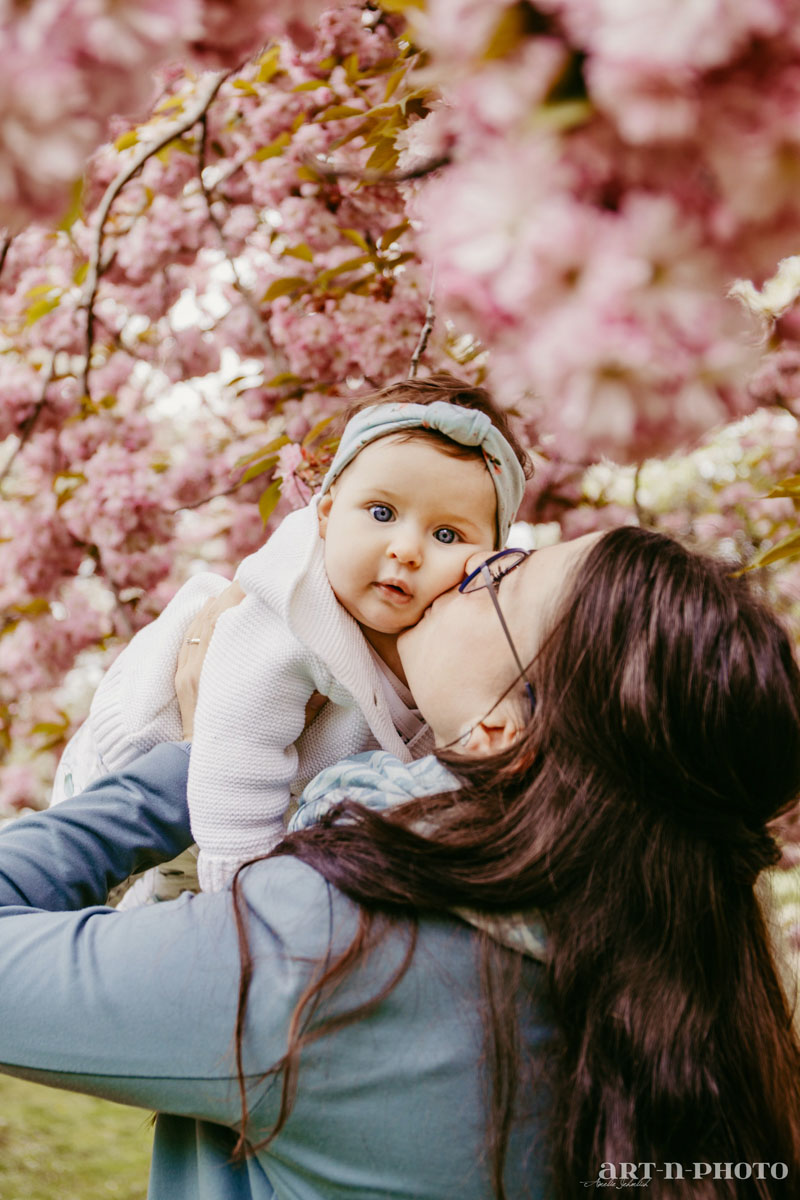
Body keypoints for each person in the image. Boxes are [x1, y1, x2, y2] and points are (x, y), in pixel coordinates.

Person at [1, 526, 800, 1200]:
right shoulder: (704, 990)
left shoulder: (324, 948)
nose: (465, 562)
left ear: (502, 730)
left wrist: (205, 757)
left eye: (500, 576)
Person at [52, 373, 530, 898]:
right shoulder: (295, 604)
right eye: (382, 512)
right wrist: (243, 888)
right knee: (80, 898)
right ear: (325, 513)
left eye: (446, 534)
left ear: (488, 559)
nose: (407, 549)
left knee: (151, 919)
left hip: (242, 804)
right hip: (143, 767)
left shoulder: (471, 638)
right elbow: (237, 744)